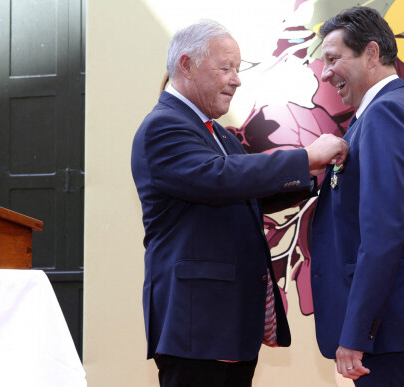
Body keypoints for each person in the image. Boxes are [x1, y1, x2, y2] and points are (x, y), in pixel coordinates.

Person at [131, 20, 348, 387]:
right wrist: (306, 155)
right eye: (225, 68)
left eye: (238, 68)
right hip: (197, 328)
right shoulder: (163, 127)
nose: (236, 79)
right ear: (186, 65)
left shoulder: (213, 132)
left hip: (226, 325)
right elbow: (221, 178)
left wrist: (313, 175)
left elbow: (246, 189)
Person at [310, 6, 404, 386]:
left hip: (389, 331)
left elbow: (383, 235)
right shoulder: (380, 113)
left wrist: (357, 333)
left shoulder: (385, 113)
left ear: (371, 54)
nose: (325, 73)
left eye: (333, 58)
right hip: (392, 330)